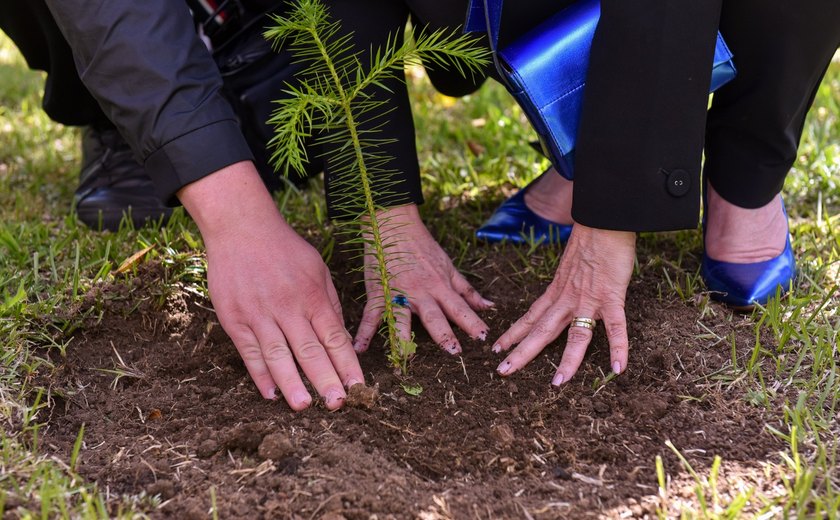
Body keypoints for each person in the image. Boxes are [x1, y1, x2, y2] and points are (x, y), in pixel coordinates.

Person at [0, 0, 499, 411]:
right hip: (119, 32)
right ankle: (124, 124)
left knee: (285, 118)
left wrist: (386, 209)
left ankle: (255, 108)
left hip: (282, 30)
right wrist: (239, 221)